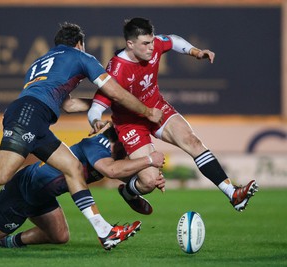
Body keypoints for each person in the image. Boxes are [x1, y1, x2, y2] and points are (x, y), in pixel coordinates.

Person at [0, 22, 164, 249]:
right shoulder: (80, 56)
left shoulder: (43, 61)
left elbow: (68, 105)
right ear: (79, 43)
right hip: (30, 114)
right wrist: (144, 110)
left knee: (72, 167)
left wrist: (104, 106)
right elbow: (115, 92)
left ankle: (104, 231)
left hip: (34, 116)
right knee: (0, 174)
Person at [0, 125, 166, 250]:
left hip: (43, 193)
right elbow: (110, 170)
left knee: (60, 236)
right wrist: (149, 160)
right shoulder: (100, 147)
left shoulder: (114, 151)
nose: (135, 148)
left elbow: (121, 173)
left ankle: (9, 241)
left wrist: (143, 184)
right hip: (25, 189)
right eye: (134, 142)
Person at [87, 17, 258, 212]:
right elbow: (96, 106)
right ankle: (128, 192)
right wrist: (95, 121)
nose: (151, 48)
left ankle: (233, 193)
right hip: (131, 124)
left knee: (192, 141)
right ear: (130, 44)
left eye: (151, 41)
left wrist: (195, 52)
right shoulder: (117, 70)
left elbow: (173, 40)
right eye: (145, 44)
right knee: (150, 182)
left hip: (157, 109)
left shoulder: (153, 46)